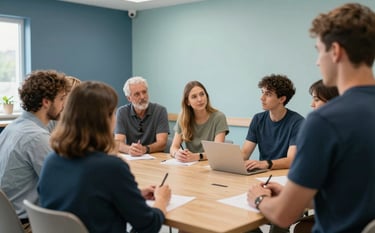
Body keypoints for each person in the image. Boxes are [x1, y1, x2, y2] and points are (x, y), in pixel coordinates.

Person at [248, 3, 375, 233]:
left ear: (335, 51)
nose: (317, 62)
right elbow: (352, 196)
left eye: (319, 51)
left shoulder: (325, 121)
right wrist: (292, 195)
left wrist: (258, 199)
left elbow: (283, 215)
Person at [38, 81, 171, 233]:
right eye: (113, 112)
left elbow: (85, 197)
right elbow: (149, 224)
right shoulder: (112, 167)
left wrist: (131, 194)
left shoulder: (51, 161)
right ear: (104, 119)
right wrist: (162, 200)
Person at [0, 70, 69, 233]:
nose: (63, 105)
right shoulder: (36, 138)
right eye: (61, 99)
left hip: (7, 221)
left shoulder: (12, 128)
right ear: (46, 102)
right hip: (27, 225)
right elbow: (63, 188)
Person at [242, 74, 304, 172]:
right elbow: (245, 153)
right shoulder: (258, 119)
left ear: (282, 99)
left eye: (268, 94)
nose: (262, 98)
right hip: (263, 173)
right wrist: (227, 161)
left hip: (284, 174)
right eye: (262, 92)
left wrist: (266, 163)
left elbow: (291, 160)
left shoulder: (298, 123)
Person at [170, 80, 229, 162]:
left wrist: (197, 156)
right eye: (194, 97)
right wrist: (177, 154)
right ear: (187, 102)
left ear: (206, 96)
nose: (200, 99)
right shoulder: (183, 118)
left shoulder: (219, 117)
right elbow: (173, 147)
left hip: (211, 166)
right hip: (190, 166)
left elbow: (217, 152)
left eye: (202, 94)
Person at [115, 76, 169, 156]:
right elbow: (118, 142)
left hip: (155, 158)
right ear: (129, 98)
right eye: (137, 94)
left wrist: (145, 149)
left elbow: (162, 143)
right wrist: (129, 149)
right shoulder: (122, 112)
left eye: (144, 92)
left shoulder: (160, 111)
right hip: (132, 158)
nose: (142, 97)